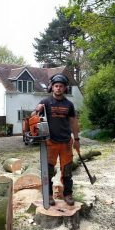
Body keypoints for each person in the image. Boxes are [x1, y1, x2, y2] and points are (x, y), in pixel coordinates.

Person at [31, 73, 80, 206]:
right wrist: (37, 110)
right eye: (56, 86)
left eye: (61, 86)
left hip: (65, 143)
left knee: (67, 171)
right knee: (48, 171)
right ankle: (49, 195)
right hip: (50, 142)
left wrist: (76, 139)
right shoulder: (45, 102)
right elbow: (32, 117)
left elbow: (73, 122)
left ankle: (68, 194)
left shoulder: (69, 104)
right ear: (51, 87)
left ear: (65, 88)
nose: (58, 88)